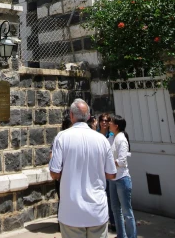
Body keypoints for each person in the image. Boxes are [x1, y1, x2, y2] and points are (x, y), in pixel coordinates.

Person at [50, 99, 116, 238]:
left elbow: (54, 173)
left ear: (71, 116)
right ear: (88, 116)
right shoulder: (102, 139)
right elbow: (111, 174)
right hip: (97, 210)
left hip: (71, 211)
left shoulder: (62, 137)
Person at [109, 115, 136, 238]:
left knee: (126, 212)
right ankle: (121, 235)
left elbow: (122, 161)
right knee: (116, 210)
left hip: (122, 178)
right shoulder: (113, 138)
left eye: (111, 122)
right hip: (113, 179)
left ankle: (131, 236)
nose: (109, 123)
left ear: (116, 125)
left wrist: (109, 162)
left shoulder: (121, 139)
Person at [97, 112, 115, 230]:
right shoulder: (95, 135)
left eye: (106, 120)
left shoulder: (112, 135)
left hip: (109, 170)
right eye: (102, 120)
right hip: (98, 170)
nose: (104, 122)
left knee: (111, 197)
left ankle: (113, 221)